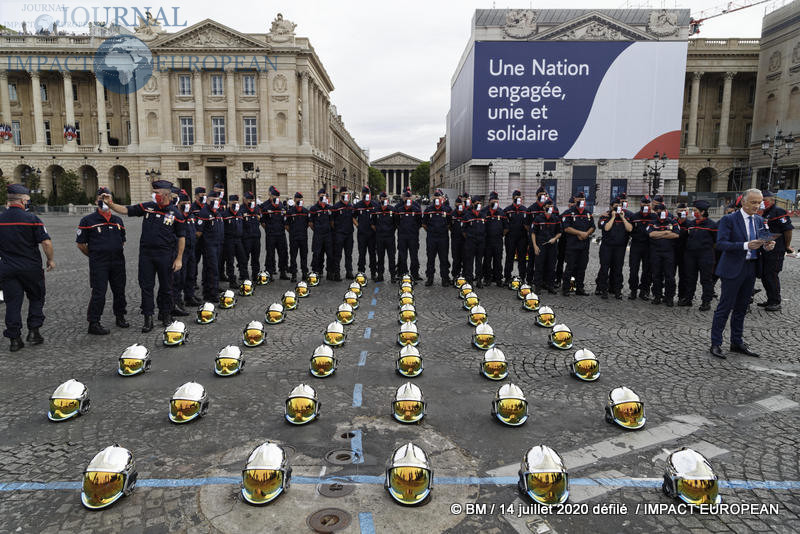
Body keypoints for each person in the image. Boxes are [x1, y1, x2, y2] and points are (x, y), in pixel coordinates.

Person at [102, 180, 185, 332]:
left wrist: (179, 258)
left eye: (157, 193)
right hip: (146, 254)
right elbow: (126, 210)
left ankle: (166, 314)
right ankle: (148, 318)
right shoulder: (148, 207)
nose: (155, 195)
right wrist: (111, 204)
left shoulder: (175, 213)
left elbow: (181, 237)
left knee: (166, 286)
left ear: (166, 194)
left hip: (165, 254)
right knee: (146, 286)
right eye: (154, 193)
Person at [710, 189, 774, 359]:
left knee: (742, 308)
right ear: (743, 202)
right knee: (725, 307)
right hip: (732, 268)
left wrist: (768, 246)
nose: (757, 206)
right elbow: (721, 244)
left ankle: (736, 342)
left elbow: (765, 241)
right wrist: (745, 245)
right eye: (753, 202)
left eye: (759, 202)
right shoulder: (729, 219)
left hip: (751, 268)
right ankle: (715, 343)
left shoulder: (760, 220)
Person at [0, 184, 55, 351]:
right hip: (30, 267)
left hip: (7, 267)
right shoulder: (32, 219)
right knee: (36, 297)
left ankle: (14, 339)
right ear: (23, 200)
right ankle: (34, 331)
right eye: (28, 200)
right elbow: (45, 242)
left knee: (13, 303)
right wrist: (50, 259)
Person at [76, 187, 128, 335]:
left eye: (107, 198)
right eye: (101, 198)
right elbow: (81, 244)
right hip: (99, 262)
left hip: (117, 261)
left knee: (119, 290)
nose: (104, 201)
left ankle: (120, 316)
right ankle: (94, 322)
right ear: (96, 201)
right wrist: (94, 255)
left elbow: (122, 240)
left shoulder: (118, 220)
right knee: (99, 292)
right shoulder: (87, 220)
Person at [758, 191, 793, 311]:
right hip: (765, 249)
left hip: (776, 250)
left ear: (772, 200)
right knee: (764, 275)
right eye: (761, 201)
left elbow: (788, 230)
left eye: (765, 200)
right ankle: (770, 299)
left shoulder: (779, 212)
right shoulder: (763, 213)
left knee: (771, 275)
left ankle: (775, 301)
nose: (763, 203)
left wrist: (787, 246)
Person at [682, 200, 717, 311]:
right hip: (691, 256)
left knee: (706, 280)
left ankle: (706, 302)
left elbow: (716, 241)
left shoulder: (712, 225)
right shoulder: (691, 224)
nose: (693, 212)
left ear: (702, 212)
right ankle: (688, 299)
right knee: (690, 278)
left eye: (695, 210)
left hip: (705, 256)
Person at [596, 196, 632, 299]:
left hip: (619, 247)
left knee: (618, 269)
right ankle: (603, 289)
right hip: (607, 247)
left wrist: (622, 217)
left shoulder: (624, 216)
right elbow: (606, 228)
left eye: (620, 206)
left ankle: (617, 290)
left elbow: (629, 229)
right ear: (611, 207)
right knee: (604, 268)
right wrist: (612, 217)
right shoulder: (605, 216)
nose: (618, 208)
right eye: (616, 207)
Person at [560, 193, 594, 296]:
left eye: (583, 199)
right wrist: (579, 233)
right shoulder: (569, 213)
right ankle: (566, 288)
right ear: (575, 199)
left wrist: (586, 234)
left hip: (584, 246)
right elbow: (566, 228)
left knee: (582, 268)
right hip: (572, 246)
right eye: (579, 198)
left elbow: (592, 226)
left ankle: (580, 288)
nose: (581, 200)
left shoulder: (588, 213)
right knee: (570, 267)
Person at [646, 203, 680, 306]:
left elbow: (676, 235)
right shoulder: (652, 222)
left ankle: (669, 297)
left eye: (663, 210)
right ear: (656, 213)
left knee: (669, 276)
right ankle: (657, 296)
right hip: (655, 252)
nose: (661, 213)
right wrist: (666, 232)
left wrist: (659, 235)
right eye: (659, 211)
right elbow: (651, 234)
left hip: (668, 252)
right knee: (656, 275)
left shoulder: (672, 221)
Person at [171, 190, 197, 316]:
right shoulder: (176, 216)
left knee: (191, 274)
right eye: (184, 202)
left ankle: (189, 296)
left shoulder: (191, 215)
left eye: (188, 202)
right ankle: (176, 302)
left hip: (191, 249)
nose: (187, 204)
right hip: (180, 251)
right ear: (179, 204)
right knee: (178, 278)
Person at [195, 191, 225, 303]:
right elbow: (198, 232)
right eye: (213, 200)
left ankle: (209, 291)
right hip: (209, 245)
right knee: (212, 269)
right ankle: (212, 293)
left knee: (212, 268)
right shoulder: (204, 212)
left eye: (217, 200)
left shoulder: (217, 212)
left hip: (218, 244)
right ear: (208, 200)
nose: (216, 202)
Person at [530, 199, 561, 293]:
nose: (550, 208)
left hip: (552, 246)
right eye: (548, 207)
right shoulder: (538, 219)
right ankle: (538, 286)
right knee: (539, 266)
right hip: (541, 245)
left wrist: (555, 238)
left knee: (551, 266)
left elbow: (560, 232)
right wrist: (535, 246)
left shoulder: (555, 218)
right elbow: (533, 233)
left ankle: (550, 285)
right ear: (544, 208)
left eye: (551, 206)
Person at [422, 189, 451, 286]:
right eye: (436, 197)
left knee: (444, 259)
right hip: (432, 238)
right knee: (430, 259)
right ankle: (430, 278)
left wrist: (442, 230)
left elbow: (449, 224)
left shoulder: (447, 210)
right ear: (433, 199)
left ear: (442, 198)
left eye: (439, 197)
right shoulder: (428, 210)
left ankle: (445, 278)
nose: (437, 199)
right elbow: (424, 224)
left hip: (443, 238)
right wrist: (431, 231)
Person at [628, 196, 654, 301]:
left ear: (651, 205)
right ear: (641, 204)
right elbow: (629, 230)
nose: (646, 206)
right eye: (644, 204)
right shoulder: (634, 216)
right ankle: (633, 290)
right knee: (633, 269)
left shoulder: (654, 217)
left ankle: (645, 290)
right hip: (636, 246)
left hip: (649, 246)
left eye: (648, 204)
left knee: (647, 270)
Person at [261, 186, 289, 280]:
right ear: (271, 195)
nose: (276, 198)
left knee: (283, 253)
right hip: (271, 234)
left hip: (281, 234)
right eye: (274, 196)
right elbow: (263, 222)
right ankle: (270, 272)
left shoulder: (281, 206)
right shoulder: (266, 207)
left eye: (277, 196)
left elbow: (285, 220)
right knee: (270, 254)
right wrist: (269, 229)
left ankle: (283, 272)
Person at [395, 188, 422, 279]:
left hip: (413, 236)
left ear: (412, 198)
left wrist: (414, 229)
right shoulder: (399, 208)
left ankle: (415, 274)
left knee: (414, 255)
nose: (407, 199)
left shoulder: (416, 207)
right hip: (402, 235)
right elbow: (396, 221)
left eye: (409, 197)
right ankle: (402, 273)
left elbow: (419, 222)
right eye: (406, 197)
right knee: (402, 256)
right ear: (403, 197)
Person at [222, 195, 248, 289]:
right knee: (230, 261)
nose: (236, 204)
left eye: (237, 203)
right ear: (229, 203)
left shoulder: (240, 213)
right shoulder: (225, 214)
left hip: (239, 240)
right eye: (233, 203)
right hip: (229, 240)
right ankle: (232, 281)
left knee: (243, 259)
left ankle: (245, 277)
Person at [503, 190, 529, 286]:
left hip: (522, 238)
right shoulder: (507, 210)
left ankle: (522, 277)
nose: (518, 198)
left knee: (522, 258)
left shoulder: (525, 210)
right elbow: (504, 225)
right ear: (513, 198)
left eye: (519, 196)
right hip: (510, 238)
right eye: (516, 197)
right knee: (509, 258)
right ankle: (507, 277)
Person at [482, 191, 507, 287]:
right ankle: (487, 278)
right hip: (487, 240)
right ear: (489, 201)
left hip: (498, 240)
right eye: (493, 200)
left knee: (498, 260)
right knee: (487, 260)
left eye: (496, 200)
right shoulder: (484, 211)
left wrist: (500, 235)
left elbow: (506, 227)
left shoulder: (501, 212)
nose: (495, 202)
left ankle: (498, 279)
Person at [354, 186, 379, 280]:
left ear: (370, 194)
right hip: (362, 234)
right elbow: (353, 216)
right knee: (362, 254)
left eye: (368, 193)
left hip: (372, 234)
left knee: (372, 254)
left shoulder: (375, 205)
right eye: (364, 193)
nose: (366, 195)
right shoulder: (358, 205)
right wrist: (357, 225)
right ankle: (361, 272)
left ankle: (373, 273)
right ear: (362, 194)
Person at [372, 191, 398, 282]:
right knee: (380, 257)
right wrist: (379, 231)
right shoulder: (376, 210)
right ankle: (380, 275)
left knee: (392, 257)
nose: (384, 200)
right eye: (383, 198)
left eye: (386, 198)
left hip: (390, 237)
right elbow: (373, 224)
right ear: (380, 199)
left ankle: (393, 276)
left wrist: (390, 231)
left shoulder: (392, 209)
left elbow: (396, 223)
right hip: (379, 237)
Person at [461, 195, 486, 288]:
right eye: (477, 203)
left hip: (480, 242)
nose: (479, 204)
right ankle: (469, 280)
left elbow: (486, 228)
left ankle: (479, 280)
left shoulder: (483, 214)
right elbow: (463, 230)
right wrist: (469, 237)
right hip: (470, 242)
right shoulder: (467, 215)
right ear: (473, 204)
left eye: (480, 203)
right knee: (469, 261)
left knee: (479, 261)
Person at [525, 188, 549, 285]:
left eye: (544, 194)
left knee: (543, 262)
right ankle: (529, 280)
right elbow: (526, 225)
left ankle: (542, 280)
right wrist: (533, 233)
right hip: (533, 239)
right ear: (537, 196)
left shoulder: (548, 208)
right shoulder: (531, 209)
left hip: (545, 240)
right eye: (541, 194)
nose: (543, 196)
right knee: (531, 261)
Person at [309, 188, 335, 280]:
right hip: (318, 234)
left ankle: (330, 271)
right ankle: (317, 271)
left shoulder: (329, 208)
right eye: (321, 196)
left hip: (328, 234)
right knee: (317, 253)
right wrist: (317, 230)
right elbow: (311, 223)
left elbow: (332, 221)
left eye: (325, 195)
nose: (323, 197)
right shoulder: (313, 208)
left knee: (330, 254)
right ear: (318, 196)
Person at [332, 187, 356, 281]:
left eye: (347, 193)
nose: (346, 195)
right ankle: (337, 273)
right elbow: (332, 221)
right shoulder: (336, 206)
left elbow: (353, 218)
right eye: (344, 194)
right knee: (338, 254)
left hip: (349, 233)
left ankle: (349, 272)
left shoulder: (351, 206)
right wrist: (337, 230)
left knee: (348, 254)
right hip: (339, 234)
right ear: (340, 195)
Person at [286, 192, 310, 282]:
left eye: (301, 199)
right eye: (298, 198)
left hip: (303, 237)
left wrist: (302, 230)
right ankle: (294, 274)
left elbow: (308, 223)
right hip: (294, 238)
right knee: (293, 256)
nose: (299, 200)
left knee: (304, 256)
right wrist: (292, 232)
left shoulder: (305, 211)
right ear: (295, 199)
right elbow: (286, 225)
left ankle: (304, 273)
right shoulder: (290, 212)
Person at [241, 191, 262, 282]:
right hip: (246, 237)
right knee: (244, 258)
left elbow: (260, 219)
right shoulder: (241, 209)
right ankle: (244, 276)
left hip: (256, 236)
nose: (251, 201)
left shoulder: (257, 208)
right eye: (249, 199)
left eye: (252, 199)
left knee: (256, 258)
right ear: (244, 199)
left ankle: (255, 275)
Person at [674, 203, 692, 305]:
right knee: (669, 275)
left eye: (684, 211)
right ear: (677, 212)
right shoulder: (672, 222)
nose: (682, 213)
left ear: (688, 212)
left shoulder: (690, 224)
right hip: (672, 252)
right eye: (680, 211)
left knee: (684, 276)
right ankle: (669, 295)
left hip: (685, 254)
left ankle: (682, 296)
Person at [450, 195, 467, 280]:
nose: (460, 204)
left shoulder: (467, 213)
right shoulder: (452, 213)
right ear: (455, 204)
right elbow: (449, 225)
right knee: (456, 258)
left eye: (461, 203)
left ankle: (465, 275)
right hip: (455, 239)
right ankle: (455, 275)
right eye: (458, 203)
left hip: (465, 240)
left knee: (465, 258)